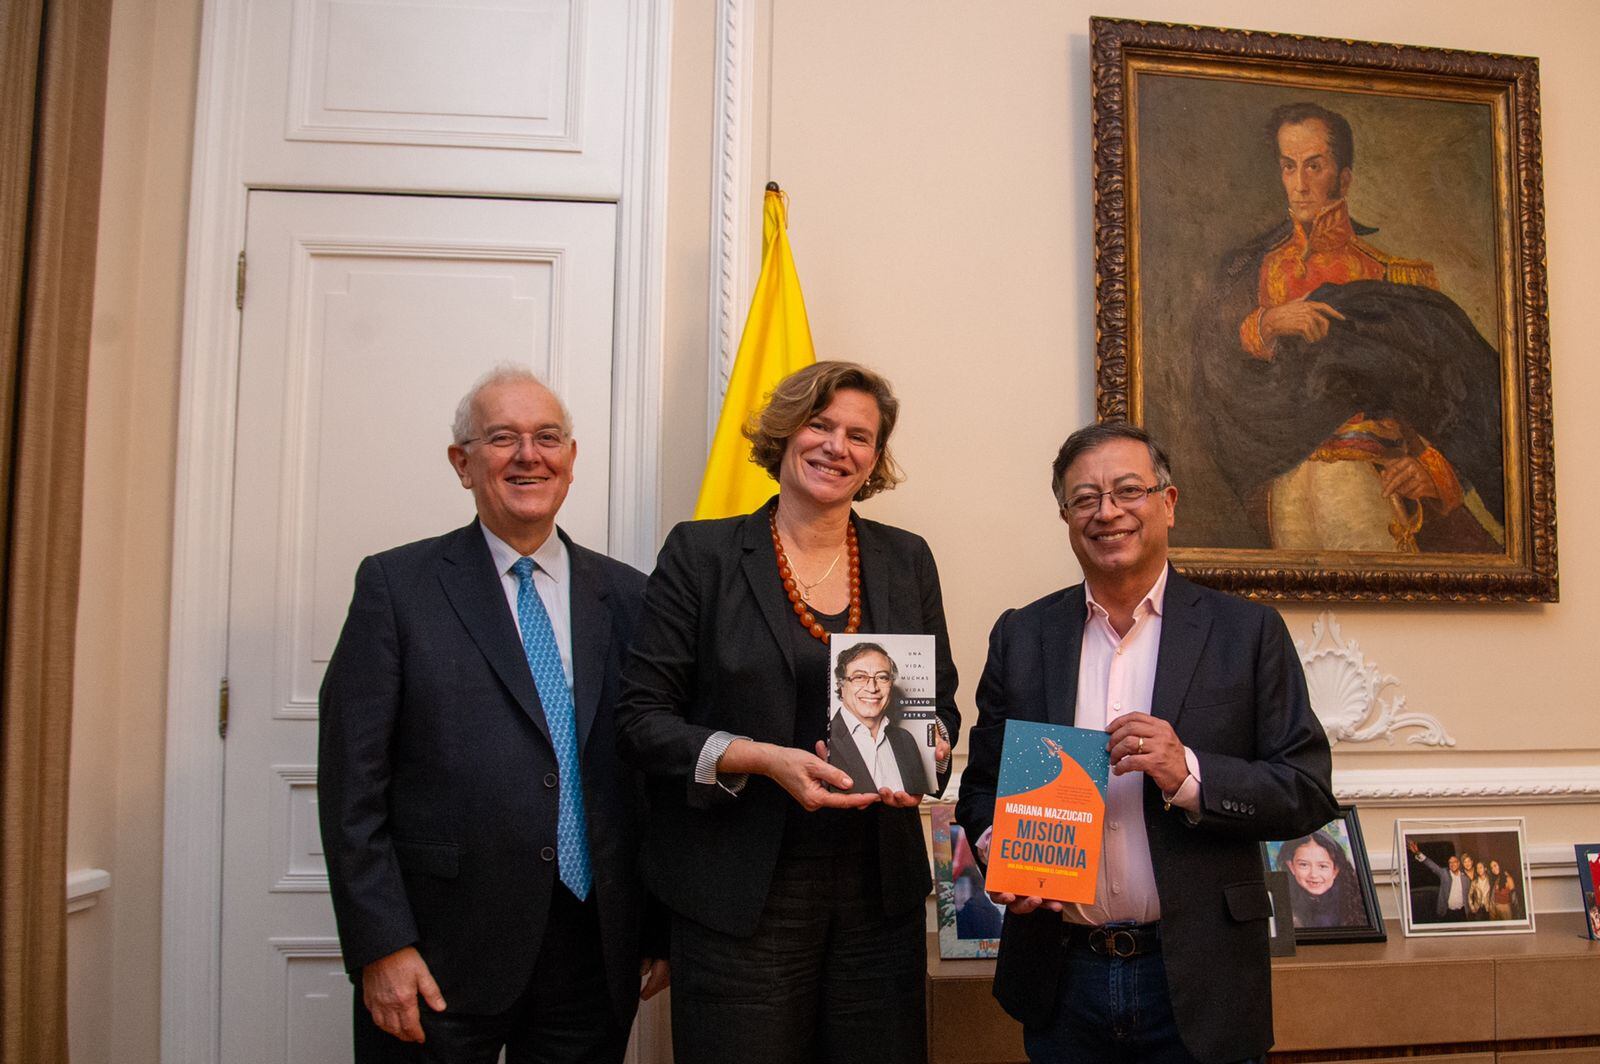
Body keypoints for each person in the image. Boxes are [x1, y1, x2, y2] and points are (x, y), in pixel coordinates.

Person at [956, 421, 1337, 1064]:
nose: (1107, 512)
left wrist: (1187, 772)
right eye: (1085, 498)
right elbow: (981, 789)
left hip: (1199, 979)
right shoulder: (1022, 635)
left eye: (1128, 490)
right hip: (1061, 978)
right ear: (1065, 516)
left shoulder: (1246, 632)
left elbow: (1305, 789)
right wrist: (1001, 847)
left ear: (1168, 502)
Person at [318, 366, 667, 1063]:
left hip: (592, 952)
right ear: (462, 462)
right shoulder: (396, 587)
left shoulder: (631, 596)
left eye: (547, 437)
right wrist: (382, 943)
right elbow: (352, 786)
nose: (527, 455)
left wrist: (653, 928)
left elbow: (652, 774)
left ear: (571, 459)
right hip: (439, 953)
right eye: (502, 437)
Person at [616, 360, 960, 1064]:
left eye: (860, 436)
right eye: (821, 424)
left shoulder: (904, 560)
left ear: (875, 459)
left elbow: (940, 699)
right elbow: (642, 721)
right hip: (741, 896)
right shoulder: (701, 555)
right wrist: (762, 759)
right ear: (785, 434)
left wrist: (934, 746)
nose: (838, 446)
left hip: (878, 894)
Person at [1199, 101, 1506, 553]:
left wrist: (1439, 471)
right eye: (1289, 167)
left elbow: (1467, 393)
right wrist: (1267, 323)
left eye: (1314, 167)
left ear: (1343, 178)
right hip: (1283, 491)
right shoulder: (1249, 275)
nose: (1299, 185)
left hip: (1368, 486)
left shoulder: (1395, 277)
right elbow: (1218, 374)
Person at [829, 641, 932, 795]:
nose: (872, 688)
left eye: (882, 677)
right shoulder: (825, 738)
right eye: (859, 677)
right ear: (840, 685)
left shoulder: (906, 740)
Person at [1277, 831, 1365, 928]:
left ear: (1335, 870)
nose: (1313, 874)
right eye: (1303, 865)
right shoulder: (1282, 905)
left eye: (1323, 866)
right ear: (1291, 867)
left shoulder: (1353, 903)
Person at [1408, 840, 1472, 922]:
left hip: (1462, 913)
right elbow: (1431, 865)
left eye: (1454, 862)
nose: (1452, 864)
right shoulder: (1444, 874)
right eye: (1450, 863)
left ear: (1458, 864)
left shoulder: (1465, 879)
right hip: (1447, 912)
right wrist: (1417, 853)